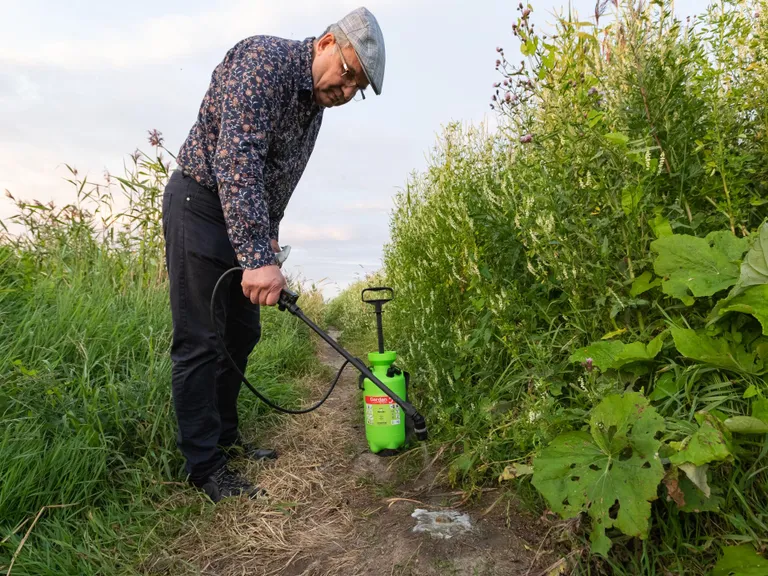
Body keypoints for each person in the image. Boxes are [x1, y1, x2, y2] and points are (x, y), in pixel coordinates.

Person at [161, 7, 385, 503]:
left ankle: (225, 437)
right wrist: (257, 256)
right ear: (327, 43)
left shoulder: (315, 106)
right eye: (348, 74)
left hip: (244, 222)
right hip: (200, 204)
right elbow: (236, 160)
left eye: (357, 89)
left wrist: (268, 252)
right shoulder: (263, 62)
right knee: (200, 339)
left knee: (241, 333)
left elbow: (275, 181)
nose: (345, 91)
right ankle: (204, 468)